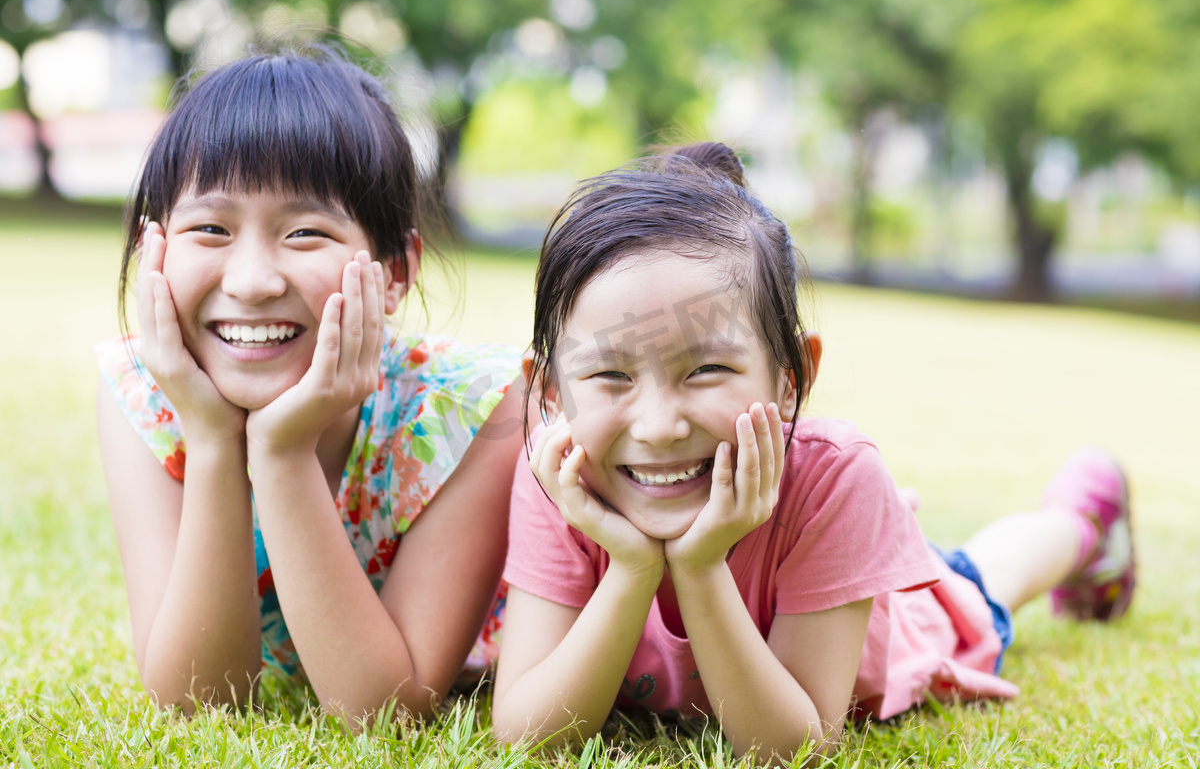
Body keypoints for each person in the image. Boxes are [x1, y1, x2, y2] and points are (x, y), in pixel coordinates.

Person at [490, 142, 1135, 762]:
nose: (658, 427)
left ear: (793, 372)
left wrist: (701, 565)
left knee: (980, 583)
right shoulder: (559, 477)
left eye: (707, 368)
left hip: (905, 624)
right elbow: (526, 736)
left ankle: (1086, 511)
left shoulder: (837, 476)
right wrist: (632, 568)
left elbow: (789, 752)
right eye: (610, 376)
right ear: (550, 391)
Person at [95, 43, 526, 724]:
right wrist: (211, 438)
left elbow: (383, 713)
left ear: (395, 273)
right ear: (158, 249)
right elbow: (199, 701)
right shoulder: (144, 391)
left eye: (304, 232)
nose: (252, 281)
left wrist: (282, 452)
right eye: (210, 228)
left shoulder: (470, 407)